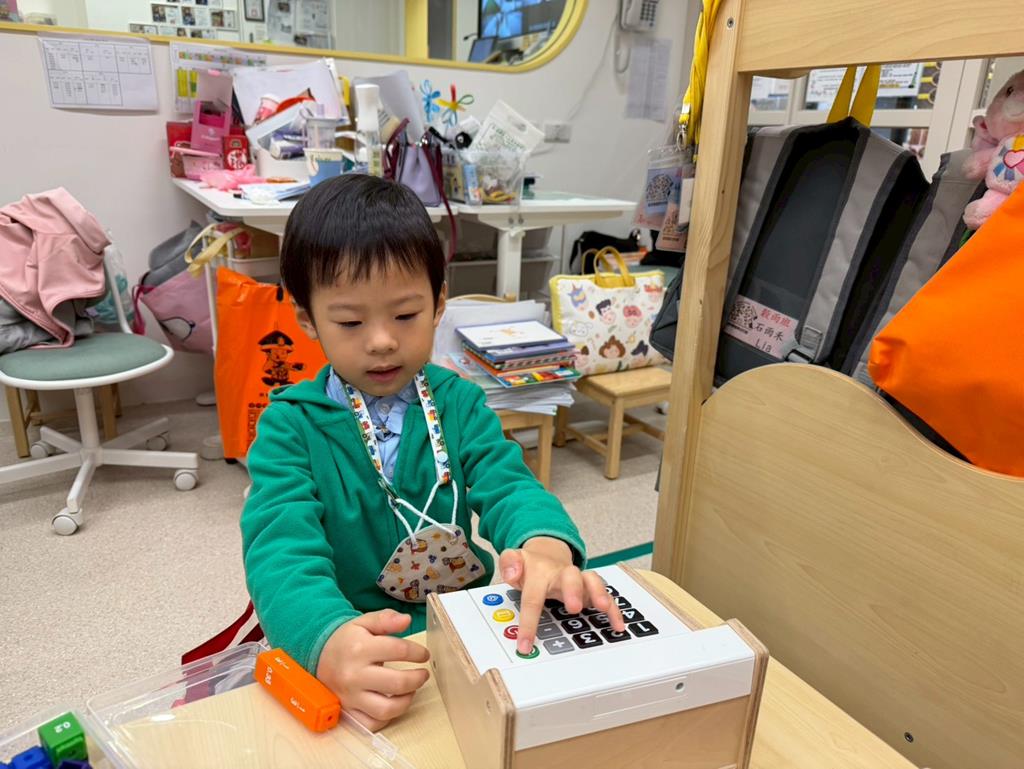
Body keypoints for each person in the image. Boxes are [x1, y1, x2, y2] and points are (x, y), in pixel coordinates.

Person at [241, 175, 624, 730]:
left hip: (468, 631)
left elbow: (509, 485)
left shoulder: (459, 402)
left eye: (405, 315)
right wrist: (324, 639)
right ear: (307, 318)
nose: (382, 341)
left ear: (439, 303)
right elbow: (280, 550)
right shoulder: (289, 427)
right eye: (349, 322)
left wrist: (544, 544)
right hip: (360, 641)